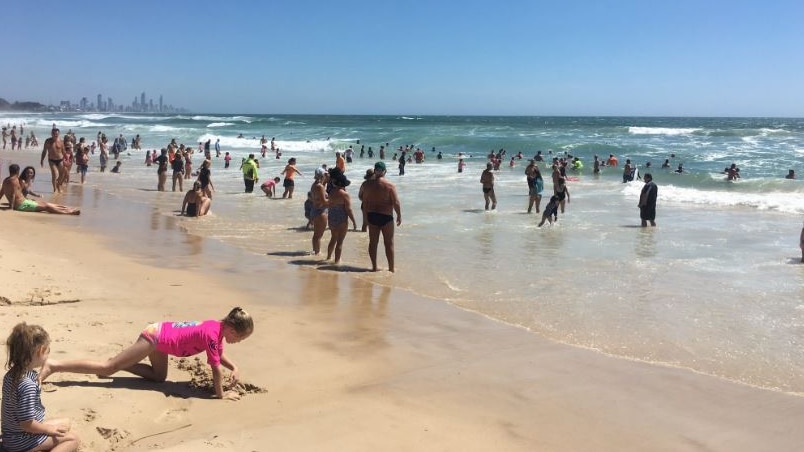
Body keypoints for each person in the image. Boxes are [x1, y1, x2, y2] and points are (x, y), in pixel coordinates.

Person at [41, 307, 253, 401]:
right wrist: (221, 395)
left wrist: (234, 367)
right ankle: (55, 365)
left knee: (159, 378)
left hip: (162, 341)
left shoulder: (217, 330)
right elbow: (215, 369)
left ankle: (120, 362)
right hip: (156, 337)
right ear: (232, 330)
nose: (238, 342)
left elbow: (219, 358)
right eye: (241, 338)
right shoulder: (212, 333)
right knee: (107, 369)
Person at [2, 323, 81, 452]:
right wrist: (49, 429)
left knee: (66, 423)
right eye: (47, 350)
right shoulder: (27, 385)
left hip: (11, 435)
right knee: (73, 439)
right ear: (40, 351)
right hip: (21, 440)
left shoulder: (11, 375)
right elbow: (26, 424)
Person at [360, 162, 401, 272]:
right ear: (385, 171)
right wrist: (399, 215)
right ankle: (391, 269)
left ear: (375, 171)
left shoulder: (366, 185)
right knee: (389, 243)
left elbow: (361, 197)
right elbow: (396, 202)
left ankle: (374, 267)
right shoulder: (390, 185)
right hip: (386, 217)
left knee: (373, 242)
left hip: (372, 215)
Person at [1, 164, 80, 215]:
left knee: (45, 203)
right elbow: (13, 194)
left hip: (24, 202)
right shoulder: (14, 181)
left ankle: (67, 208)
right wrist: (11, 207)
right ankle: (69, 212)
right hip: (21, 205)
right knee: (46, 207)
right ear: (18, 171)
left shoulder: (5, 180)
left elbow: (1, 193)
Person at [326, 168, 357, 264]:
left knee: (333, 238)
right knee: (340, 242)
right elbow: (349, 209)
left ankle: (328, 257)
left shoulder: (331, 193)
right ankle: (337, 261)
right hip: (342, 219)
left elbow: (329, 204)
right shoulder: (345, 195)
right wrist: (354, 221)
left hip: (331, 218)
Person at [309, 168, 329, 255]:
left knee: (316, 235)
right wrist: (334, 200)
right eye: (325, 174)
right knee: (318, 235)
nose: (326, 176)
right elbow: (324, 201)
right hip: (321, 211)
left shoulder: (315, 185)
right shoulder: (320, 186)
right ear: (322, 176)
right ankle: (317, 253)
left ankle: (315, 251)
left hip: (315, 209)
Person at [40, 128, 66, 193]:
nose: (55, 135)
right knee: (54, 174)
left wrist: (66, 158)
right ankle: (54, 189)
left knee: (62, 174)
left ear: (58, 134)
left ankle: (58, 185)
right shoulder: (48, 141)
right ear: (51, 134)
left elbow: (63, 151)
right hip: (52, 160)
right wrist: (42, 160)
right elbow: (44, 151)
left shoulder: (61, 141)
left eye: (56, 134)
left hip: (60, 159)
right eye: (54, 134)